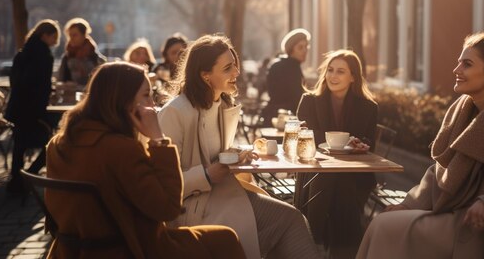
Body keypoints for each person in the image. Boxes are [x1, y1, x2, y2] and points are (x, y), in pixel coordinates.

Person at [356, 30, 484, 259]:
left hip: (482, 232)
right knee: (383, 222)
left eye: (467, 64)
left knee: (385, 227)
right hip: (450, 216)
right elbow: (441, 170)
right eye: (459, 62)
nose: (456, 70)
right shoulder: (463, 111)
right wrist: (409, 203)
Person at [45, 62, 246, 259]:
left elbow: (54, 217)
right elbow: (168, 208)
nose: (152, 105)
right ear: (124, 101)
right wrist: (159, 140)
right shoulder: (122, 150)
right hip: (132, 248)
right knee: (226, 238)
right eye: (146, 96)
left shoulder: (57, 144)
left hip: (70, 250)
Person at [158, 34, 320, 259]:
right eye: (227, 68)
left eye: (235, 65)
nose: (237, 72)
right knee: (290, 221)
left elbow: (215, 153)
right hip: (195, 209)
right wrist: (206, 175)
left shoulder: (222, 104)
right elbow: (161, 185)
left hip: (223, 195)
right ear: (206, 76)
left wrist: (237, 154)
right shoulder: (175, 112)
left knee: (291, 219)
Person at [295, 49, 377, 258]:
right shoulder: (309, 101)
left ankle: (312, 239)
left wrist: (361, 144)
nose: (333, 76)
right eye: (330, 70)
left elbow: (369, 142)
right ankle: (345, 251)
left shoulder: (367, 107)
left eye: (341, 71)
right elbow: (304, 137)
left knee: (338, 181)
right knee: (331, 178)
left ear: (353, 77)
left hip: (354, 174)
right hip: (314, 173)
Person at [5, 20, 61, 194]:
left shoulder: (22, 53)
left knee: (19, 146)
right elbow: (41, 84)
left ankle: (16, 182)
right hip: (34, 110)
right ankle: (29, 175)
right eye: (54, 37)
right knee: (52, 142)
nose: (55, 41)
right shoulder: (45, 55)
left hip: (17, 108)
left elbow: (15, 81)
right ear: (45, 35)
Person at [261, 28, 311, 123]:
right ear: (291, 50)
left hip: (277, 116)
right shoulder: (290, 67)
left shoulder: (284, 64)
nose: (305, 50)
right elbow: (297, 97)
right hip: (281, 118)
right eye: (300, 47)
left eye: (306, 47)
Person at [57, 17, 105, 87]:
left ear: (84, 35)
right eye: (70, 35)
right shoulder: (67, 57)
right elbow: (61, 79)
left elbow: (101, 81)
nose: (72, 38)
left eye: (75, 35)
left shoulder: (95, 58)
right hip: (71, 95)